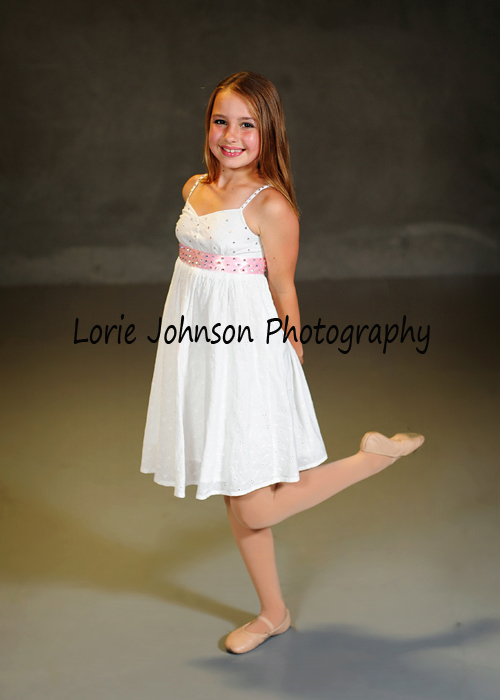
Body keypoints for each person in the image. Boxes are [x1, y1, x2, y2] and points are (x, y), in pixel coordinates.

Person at [140, 71, 424, 654]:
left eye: (248, 125)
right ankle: (273, 614)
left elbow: (284, 287)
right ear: (208, 125)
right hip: (200, 352)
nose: (232, 136)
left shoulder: (270, 206)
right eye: (221, 121)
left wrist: (289, 352)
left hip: (246, 354)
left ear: (268, 132)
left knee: (253, 503)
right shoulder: (193, 188)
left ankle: (369, 461)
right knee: (235, 491)